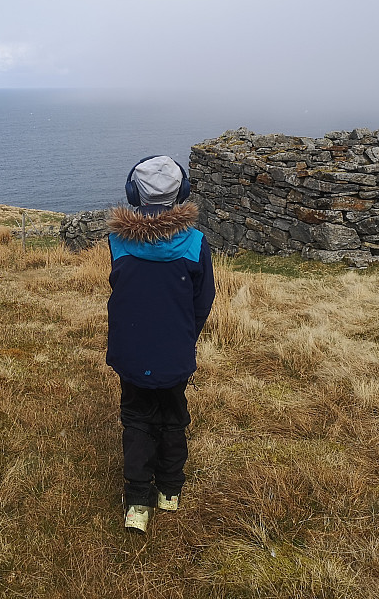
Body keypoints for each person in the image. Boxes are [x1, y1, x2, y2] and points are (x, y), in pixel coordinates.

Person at [105, 155, 216, 534]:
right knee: (173, 417)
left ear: (132, 193)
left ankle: (138, 500)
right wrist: (184, 335)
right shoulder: (197, 244)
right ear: (182, 192)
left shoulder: (116, 240)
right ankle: (170, 490)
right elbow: (203, 301)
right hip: (175, 351)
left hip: (131, 350)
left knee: (136, 418)